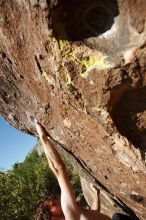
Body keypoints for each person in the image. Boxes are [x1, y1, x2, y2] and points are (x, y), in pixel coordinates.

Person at [35, 120, 134, 220]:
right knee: (117, 217)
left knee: (116, 216)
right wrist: (42, 137)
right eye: (53, 205)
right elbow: (58, 168)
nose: (57, 201)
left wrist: (96, 194)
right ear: (52, 218)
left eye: (53, 201)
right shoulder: (69, 211)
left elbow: (93, 214)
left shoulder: (74, 214)